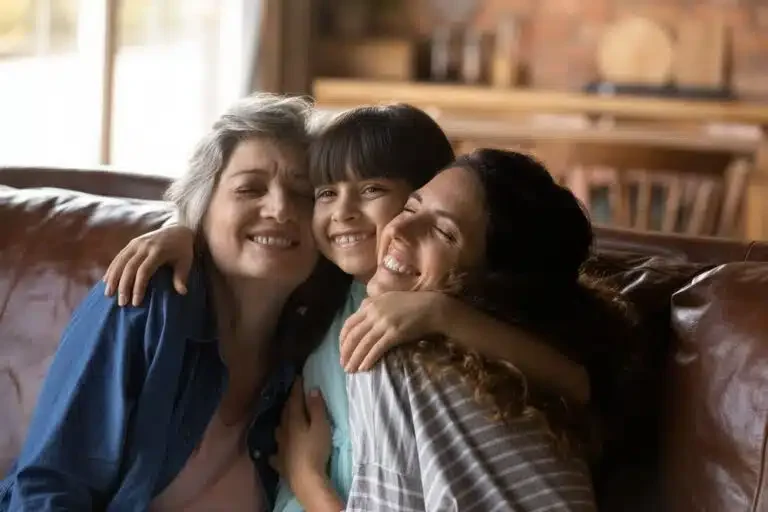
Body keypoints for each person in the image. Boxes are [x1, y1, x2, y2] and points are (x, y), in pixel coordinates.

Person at [102, 105, 593, 511]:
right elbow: (255, 239)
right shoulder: (318, 283)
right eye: (325, 194)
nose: (342, 212)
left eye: (374, 190)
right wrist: (184, 230)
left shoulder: (408, 343)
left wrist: (307, 478)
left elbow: (578, 382)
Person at [0, 93, 335, 511]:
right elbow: (49, 487)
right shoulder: (144, 300)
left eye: (303, 194)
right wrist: (180, 224)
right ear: (202, 210)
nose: (281, 208)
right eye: (250, 188)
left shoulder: (319, 341)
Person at [281, 149, 631, 511]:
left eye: (443, 232)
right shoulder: (535, 363)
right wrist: (443, 313)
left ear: (495, 280)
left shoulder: (398, 353)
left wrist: (308, 480)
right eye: (411, 208)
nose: (398, 229)